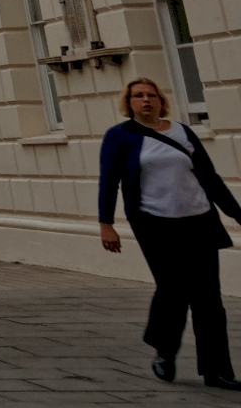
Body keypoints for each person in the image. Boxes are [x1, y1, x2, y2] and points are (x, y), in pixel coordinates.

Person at [98, 76, 241, 389]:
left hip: (199, 219)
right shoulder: (120, 136)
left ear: (161, 101)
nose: (146, 100)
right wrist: (106, 224)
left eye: (151, 95)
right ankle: (165, 348)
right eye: (138, 96)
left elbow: (209, 176)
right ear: (129, 103)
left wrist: (237, 213)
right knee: (173, 289)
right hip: (155, 222)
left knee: (209, 299)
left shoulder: (182, 131)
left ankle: (217, 371)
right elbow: (109, 181)